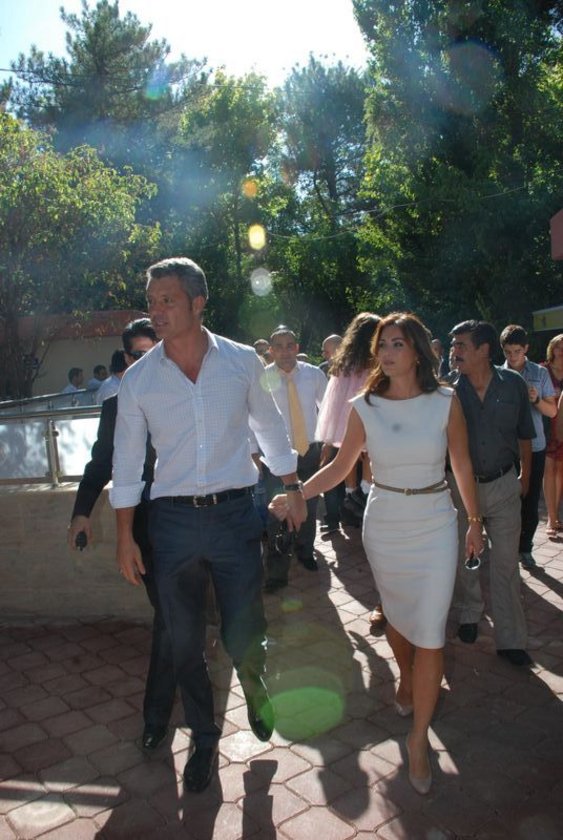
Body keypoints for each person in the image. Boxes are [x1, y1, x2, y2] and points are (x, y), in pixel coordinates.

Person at [110, 257, 306, 794]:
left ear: (198, 303)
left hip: (234, 514)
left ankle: (254, 680)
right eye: (151, 301)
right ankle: (203, 736)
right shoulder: (139, 380)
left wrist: (292, 486)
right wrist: (125, 536)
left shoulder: (242, 361)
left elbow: (270, 427)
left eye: (167, 300)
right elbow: (126, 465)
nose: (156, 311)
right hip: (171, 523)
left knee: (244, 624)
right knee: (183, 639)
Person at [270, 312, 482, 795]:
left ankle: (418, 738)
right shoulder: (364, 406)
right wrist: (298, 493)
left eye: (397, 344)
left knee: (431, 632)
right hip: (384, 524)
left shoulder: (445, 401)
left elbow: (461, 463)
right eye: (382, 345)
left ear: (417, 351)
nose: (386, 352)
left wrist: (474, 521)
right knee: (400, 622)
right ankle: (405, 674)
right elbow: (340, 466)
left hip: (435, 522)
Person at [67, 319, 174, 751]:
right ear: (125, 360)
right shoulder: (114, 407)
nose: (145, 362)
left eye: (154, 353)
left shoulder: (187, 395)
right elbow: (100, 464)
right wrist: (81, 513)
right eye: (137, 355)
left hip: (194, 523)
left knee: (176, 617)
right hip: (145, 527)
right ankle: (158, 716)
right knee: (169, 615)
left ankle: (169, 707)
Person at [448, 320, 535, 667]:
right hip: (462, 488)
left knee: (506, 563)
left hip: (503, 484)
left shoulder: (513, 384)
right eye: (453, 345)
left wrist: (525, 476)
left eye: (461, 345)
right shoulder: (448, 391)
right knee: (466, 556)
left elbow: (525, 433)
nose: (454, 352)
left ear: (484, 350)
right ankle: (469, 614)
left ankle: (511, 639)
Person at [262, 325, 327, 591]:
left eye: (290, 345)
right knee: (277, 510)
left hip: (309, 451)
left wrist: (328, 444)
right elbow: (254, 416)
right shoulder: (262, 378)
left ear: (297, 348)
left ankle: (305, 551)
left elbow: (328, 411)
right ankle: (277, 571)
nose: (285, 351)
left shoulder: (314, 375)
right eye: (279, 346)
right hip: (276, 454)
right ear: (271, 351)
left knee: (309, 504)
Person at [316, 313, 380, 532]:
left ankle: (352, 492)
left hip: (346, 416)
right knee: (370, 454)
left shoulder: (345, 361)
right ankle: (366, 489)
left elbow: (335, 398)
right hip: (370, 412)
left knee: (348, 453)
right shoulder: (376, 361)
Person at [501, 325, 556, 567]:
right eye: (508, 352)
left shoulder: (539, 373)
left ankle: (525, 548)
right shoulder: (496, 374)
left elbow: (552, 411)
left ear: (526, 349)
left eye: (517, 351)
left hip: (535, 446)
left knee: (530, 500)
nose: (513, 357)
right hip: (506, 448)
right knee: (506, 502)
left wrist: (536, 399)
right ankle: (507, 548)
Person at [541, 333, 563, 536]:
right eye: (558, 346)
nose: (561, 350)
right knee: (549, 469)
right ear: (552, 348)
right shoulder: (543, 370)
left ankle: (554, 516)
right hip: (547, 426)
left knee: (560, 471)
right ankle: (551, 516)